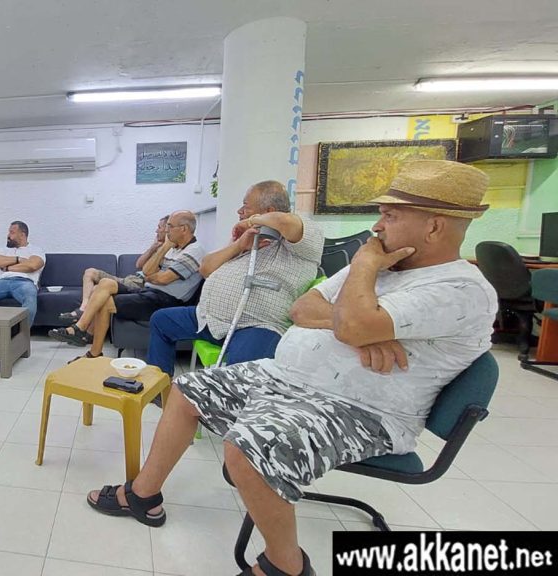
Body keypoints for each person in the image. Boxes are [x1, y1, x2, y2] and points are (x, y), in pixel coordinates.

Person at [85, 160, 497, 576]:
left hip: (360, 409)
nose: (377, 226)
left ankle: (285, 565)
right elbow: (303, 308)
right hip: (290, 380)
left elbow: (349, 322)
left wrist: (363, 277)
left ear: (434, 227)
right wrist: (356, 324)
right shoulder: (382, 269)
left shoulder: (458, 289)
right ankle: (143, 495)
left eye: (390, 216)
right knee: (188, 389)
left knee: (246, 446)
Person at [147, 181, 324, 376]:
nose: (240, 211)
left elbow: (284, 221)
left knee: (239, 376)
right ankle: (159, 385)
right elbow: (205, 269)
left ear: (268, 211)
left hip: (256, 325)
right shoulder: (249, 238)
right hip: (209, 319)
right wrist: (238, 245)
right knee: (160, 320)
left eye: (246, 206)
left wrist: (250, 221)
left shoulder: (305, 238)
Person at [49, 210, 204, 361]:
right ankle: (81, 329)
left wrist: (155, 271)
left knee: (104, 301)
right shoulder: (172, 249)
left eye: (170, 226)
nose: (166, 230)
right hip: (149, 291)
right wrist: (162, 252)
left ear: (183, 229)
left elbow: (163, 279)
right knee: (105, 283)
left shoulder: (194, 252)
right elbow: (146, 270)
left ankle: (92, 349)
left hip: (166, 300)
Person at [60, 215, 169, 323]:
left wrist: (162, 249)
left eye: (159, 227)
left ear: (167, 229)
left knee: (97, 289)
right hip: (129, 279)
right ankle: (83, 308)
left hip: (138, 284)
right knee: (90, 272)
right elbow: (138, 264)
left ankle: (82, 325)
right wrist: (153, 247)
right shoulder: (157, 247)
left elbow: (150, 272)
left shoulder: (169, 252)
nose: (156, 231)